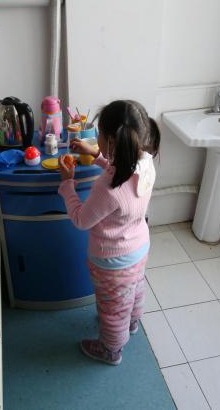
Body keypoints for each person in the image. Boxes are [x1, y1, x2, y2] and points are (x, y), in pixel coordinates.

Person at [58, 99, 160, 365]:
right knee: (135, 289)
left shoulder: (108, 188)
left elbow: (81, 220)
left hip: (112, 262)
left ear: (110, 141)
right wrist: (95, 154)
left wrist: (67, 184)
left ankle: (111, 350)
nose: (97, 139)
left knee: (112, 310)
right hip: (139, 248)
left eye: (99, 135)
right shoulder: (146, 161)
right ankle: (134, 322)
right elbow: (121, 170)